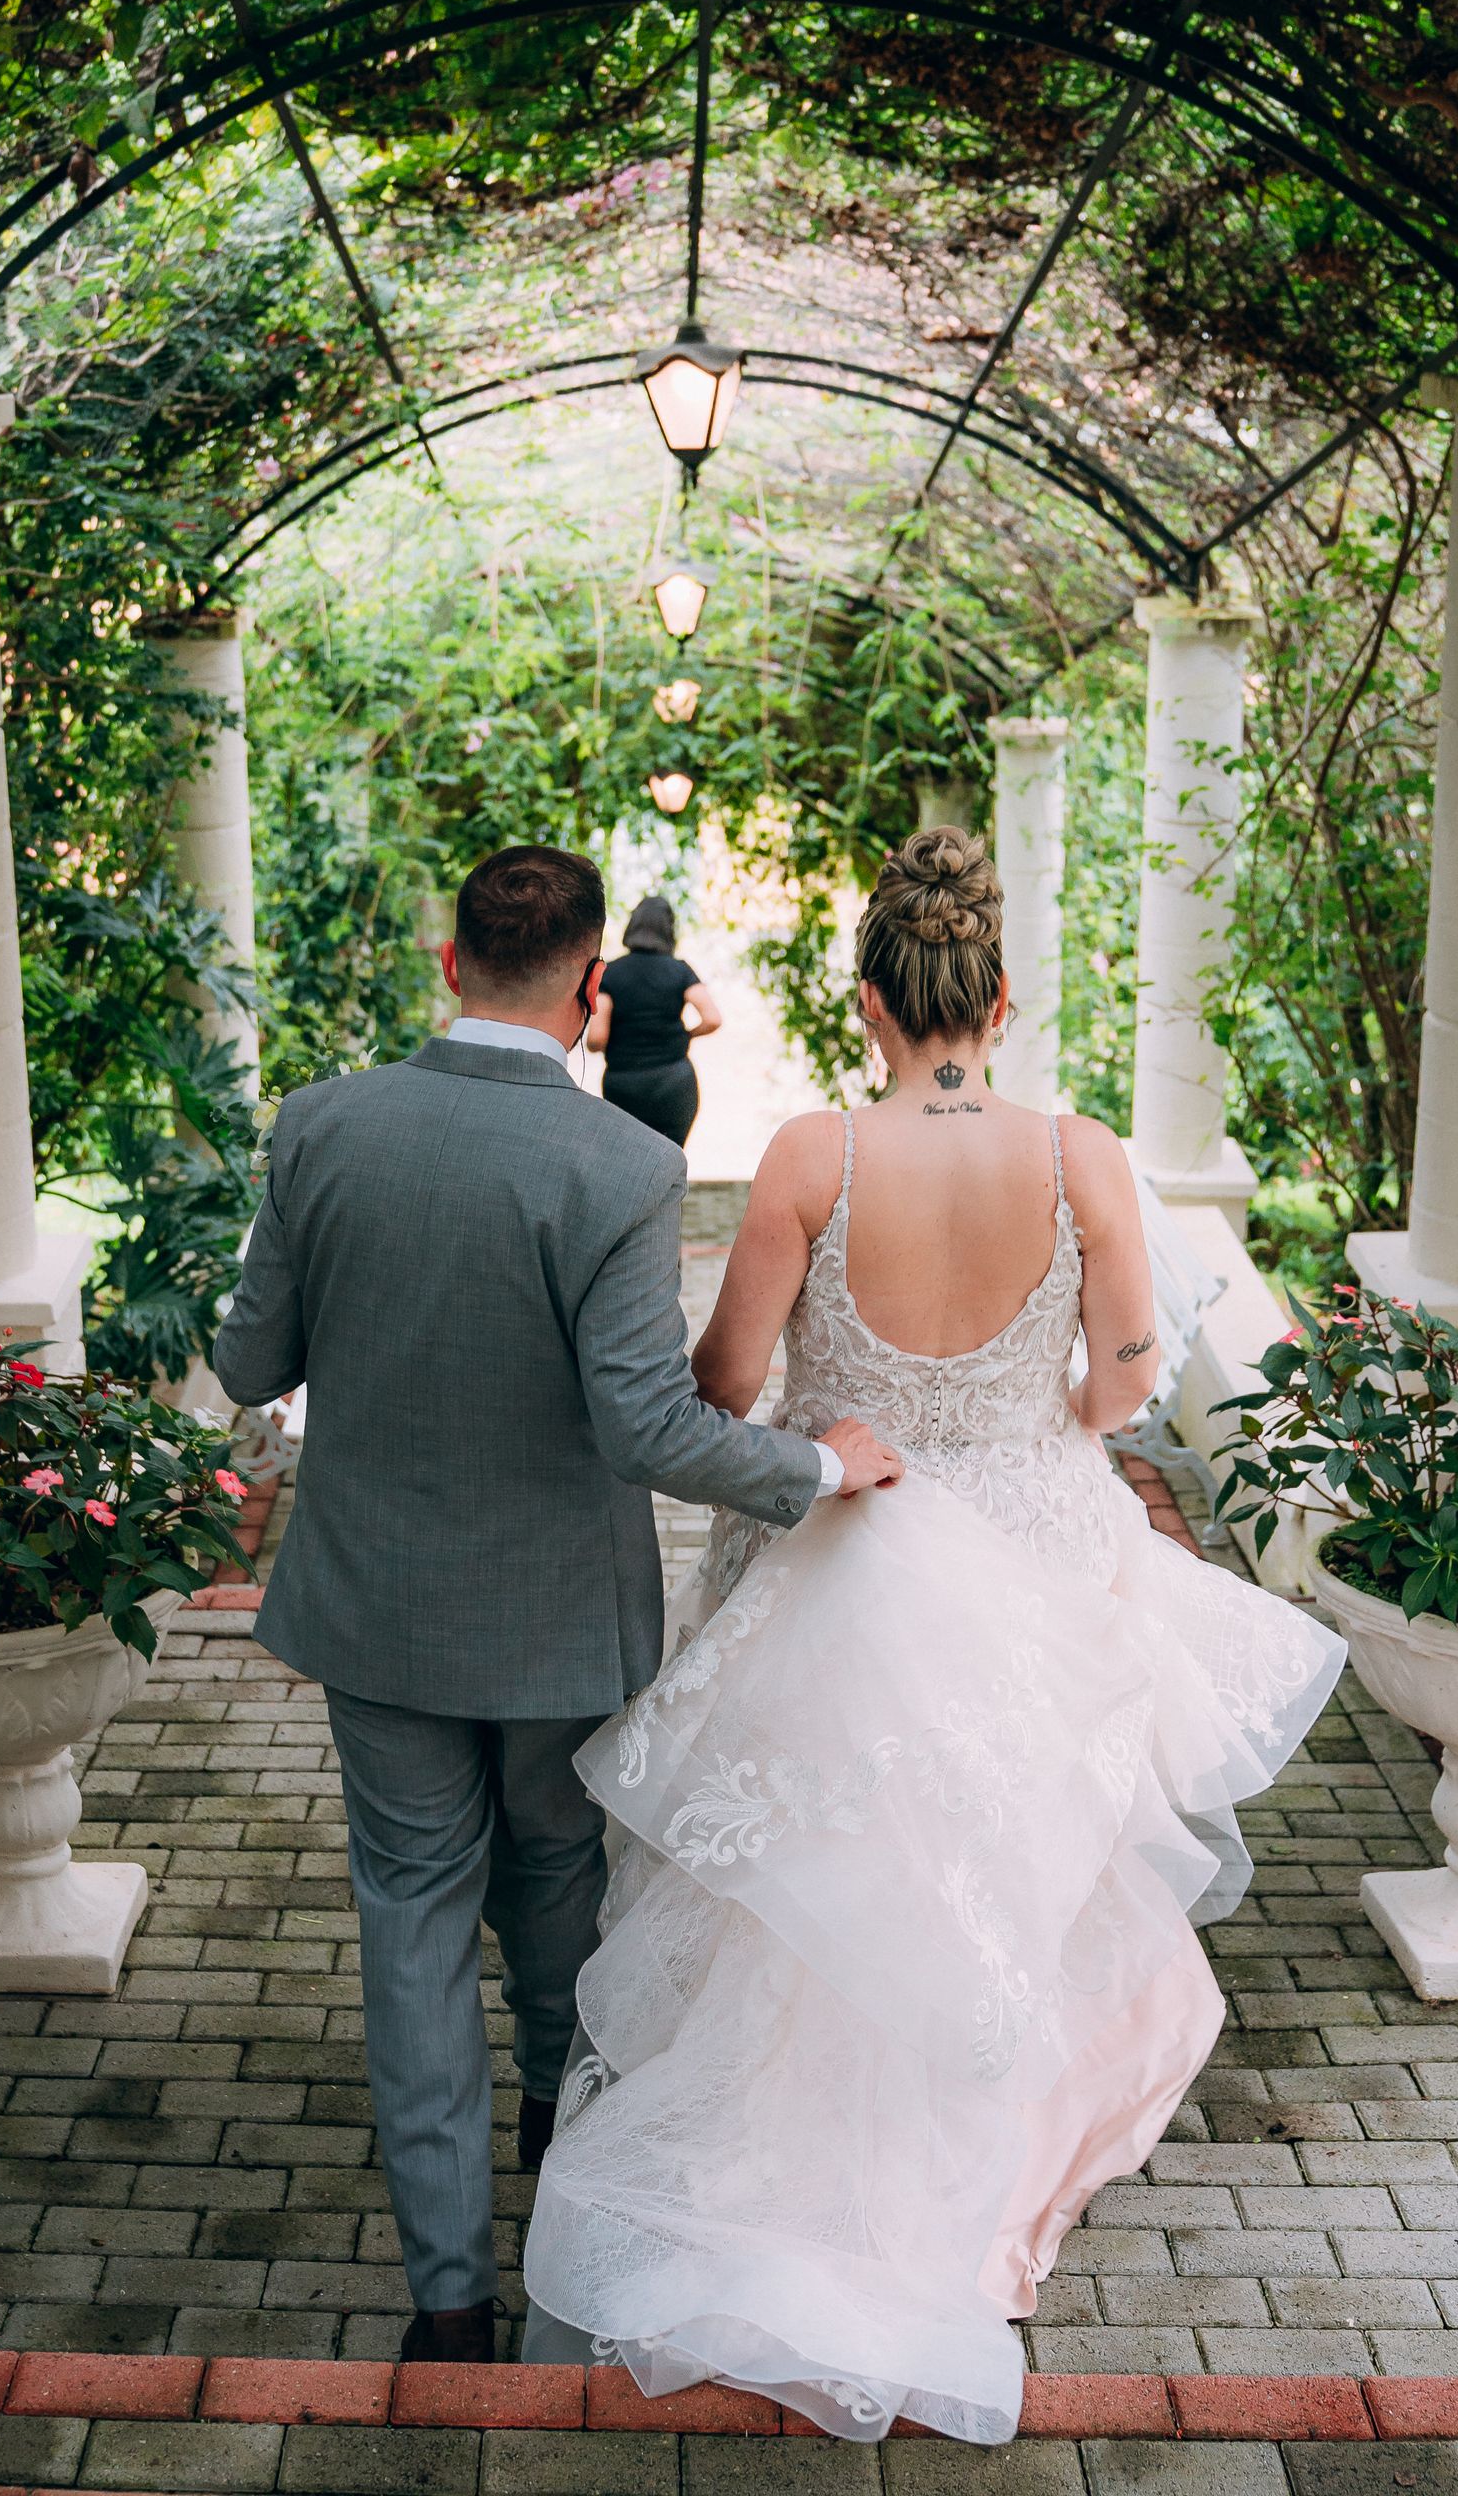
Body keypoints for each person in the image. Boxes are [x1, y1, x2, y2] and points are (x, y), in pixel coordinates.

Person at [523, 827, 1345, 2442]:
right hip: (1043, 1547)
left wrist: (853, 1415)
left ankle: (811, 2183)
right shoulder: (1083, 1159)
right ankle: (973, 2185)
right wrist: (1033, 1406)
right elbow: (1121, 1385)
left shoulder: (810, 1159)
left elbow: (723, 1389)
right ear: (1003, 994)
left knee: (822, 1894)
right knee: (1021, 1874)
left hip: (848, 1541)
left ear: (867, 1002)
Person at [213, 844, 903, 2369]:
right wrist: (818, 1464)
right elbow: (651, 1429)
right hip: (557, 1627)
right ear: (593, 994)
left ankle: (450, 2305)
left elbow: (252, 1366)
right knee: (556, 1891)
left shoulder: (321, 1128)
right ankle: (559, 2152)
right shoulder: (619, 1169)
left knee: (409, 1926)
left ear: (448, 965)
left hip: (375, 1618)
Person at [587, 892, 721, 1145]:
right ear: (669, 930)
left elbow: (597, 1038)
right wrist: (688, 1034)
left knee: (626, 1161)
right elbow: (712, 1018)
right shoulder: (680, 970)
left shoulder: (611, 974)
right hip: (673, 1083)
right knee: (671, 1161)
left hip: (624, 1086)